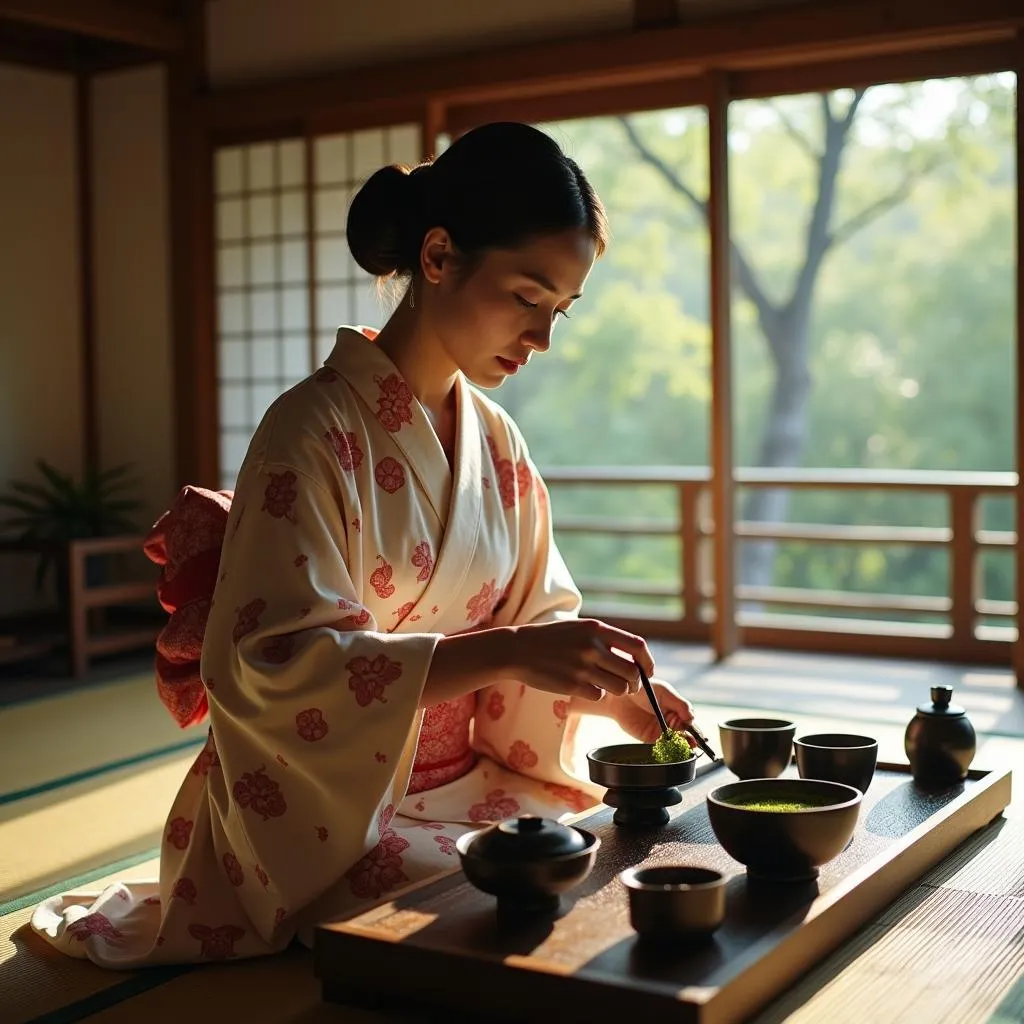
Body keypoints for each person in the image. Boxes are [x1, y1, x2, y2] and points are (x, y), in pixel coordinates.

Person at [32, 121, 695, 967]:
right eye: (526, 297)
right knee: (492, 900)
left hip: (478, 783)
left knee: (592, 863)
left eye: (559, 310)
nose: (542, 339)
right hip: (332, 813)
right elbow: (276, 665)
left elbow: (537, 622)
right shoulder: (309, 430)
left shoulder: (499, 443)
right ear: (440, 256)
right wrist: (516, 650)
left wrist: (616, 697)